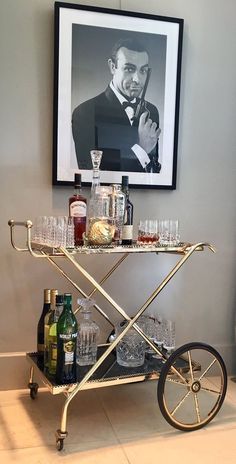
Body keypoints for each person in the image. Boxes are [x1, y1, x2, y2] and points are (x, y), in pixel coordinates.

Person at [72, 38, 161, 173]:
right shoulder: (85, 112)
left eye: (143, 71)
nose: (137, 79)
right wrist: (141, 150)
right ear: (112, 67)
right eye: (129, 69)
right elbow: (92, 172)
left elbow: (152, 171)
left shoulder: (152, 111)